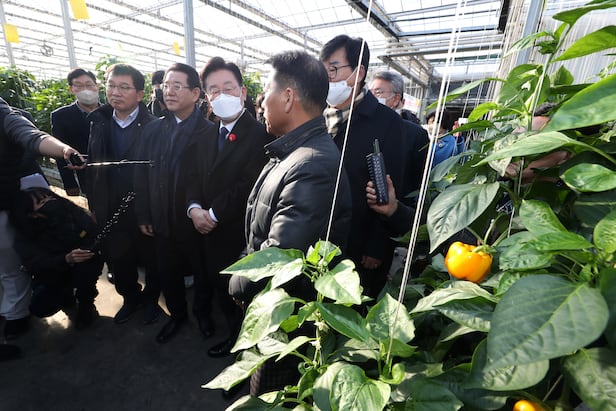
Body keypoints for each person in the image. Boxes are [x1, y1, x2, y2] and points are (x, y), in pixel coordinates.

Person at [228, 50, 352, 396]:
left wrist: (237, 284)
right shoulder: (296, 152)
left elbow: (281, 257)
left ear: (287, 97)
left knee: (271, 394)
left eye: (265, 90)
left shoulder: (311, 164)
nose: (260, 101)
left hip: (287, 320)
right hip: (276, 309)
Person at [184, 57, 272, 357]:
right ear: (206, 97)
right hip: (206, 229)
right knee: (219, 285)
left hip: (239, 232)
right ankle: (233, 334)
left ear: (243, 92)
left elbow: (250, 184)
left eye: (228, 88)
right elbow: (193, 176)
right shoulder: (207, 134)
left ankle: (242, 344)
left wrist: (212, 214)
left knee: (241, 291)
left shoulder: (261, 135)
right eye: (214, 90)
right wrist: (193, 208)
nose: (221, 95)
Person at [320, 34, 408, 299]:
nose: (326, 78)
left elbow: (393, 187)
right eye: (322, 70)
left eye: (333, 70)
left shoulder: (387, 123)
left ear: (358, 73)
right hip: (319, 235)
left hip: (358, 243)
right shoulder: (319, 115)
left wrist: (377, 246)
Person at [135, 63, 214, 344]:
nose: (169, 91)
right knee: (168, 272)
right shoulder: (153, 130)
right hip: (161, 218)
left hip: (194, 221)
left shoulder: (209, 132)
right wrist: (144, 213)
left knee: (202, 272)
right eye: (166, 85)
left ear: (195, 93)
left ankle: (203, 314)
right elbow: (141, 174)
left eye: (177, 86)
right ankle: (177, 315)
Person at [0, 96, 83, 358]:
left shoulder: (5, 116)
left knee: (10, 265)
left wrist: (64, 150)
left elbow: (33, 136)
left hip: (4, 204)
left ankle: (15, 314)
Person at [87, 64, 162, 326]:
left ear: (140, 94)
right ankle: (131, 298)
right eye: (111, 85)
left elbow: (158, 173)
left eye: (124, 87)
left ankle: (151, 300)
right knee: (119, 259)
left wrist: (149, 211)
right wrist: (94, 204)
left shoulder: (155, 126)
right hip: (110, 207)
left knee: (152, 258)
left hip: (144, 207)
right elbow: (93, 166)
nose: (115, 92)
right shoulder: (99, 122)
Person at [10, 187, 103, 330]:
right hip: (55, 273)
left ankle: (86, 303)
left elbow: (92, 233)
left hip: (82, 265)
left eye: (50, 197)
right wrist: (65, 259)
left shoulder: (70, 211)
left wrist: (86, 249)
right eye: (42, 202)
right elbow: (34, 264)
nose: (50, 201)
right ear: (32, 214)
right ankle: (66, 298)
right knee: (40, 307)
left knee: (87, 271)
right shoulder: (26, 234)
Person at [369, 70, 429, 200]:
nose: (371, 98)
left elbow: (418, 179)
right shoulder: (364, 127)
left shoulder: (416, 134)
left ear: (396, 99)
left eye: (378, 92)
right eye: (370, 92)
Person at [51, 68, 100, 197]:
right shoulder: (61, 116)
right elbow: (60, 151)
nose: (86, 90)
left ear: (97, 86)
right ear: (71, 89)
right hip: (88, 178)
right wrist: (70, 183)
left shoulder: (112, 111)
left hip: (119, 174)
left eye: (89, 84)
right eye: (79, 86)